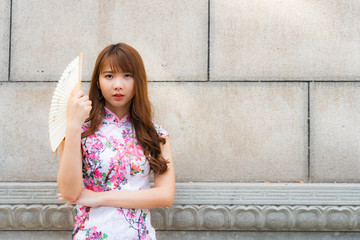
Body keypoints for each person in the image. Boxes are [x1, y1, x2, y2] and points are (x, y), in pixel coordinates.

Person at [56, 43, 175, 240]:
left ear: (139, 81)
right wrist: (73, 125)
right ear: (98, 82)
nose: (118, 85)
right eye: (109, 76)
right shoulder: (81, 130)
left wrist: (99, 197)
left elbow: (165, 195)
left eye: (127, 75)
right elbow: (69, 193)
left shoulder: (155, 133)